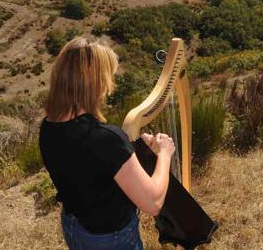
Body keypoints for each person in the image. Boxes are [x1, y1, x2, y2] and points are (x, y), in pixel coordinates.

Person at [39, 36, 175, 250]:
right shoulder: (106, 139)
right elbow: (153, 203)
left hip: (75, 226)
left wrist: (132, 152)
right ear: (96, 83)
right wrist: (165, 154)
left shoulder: (48, 126)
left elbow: (91, 169)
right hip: (110, 240)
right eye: (108, 76)